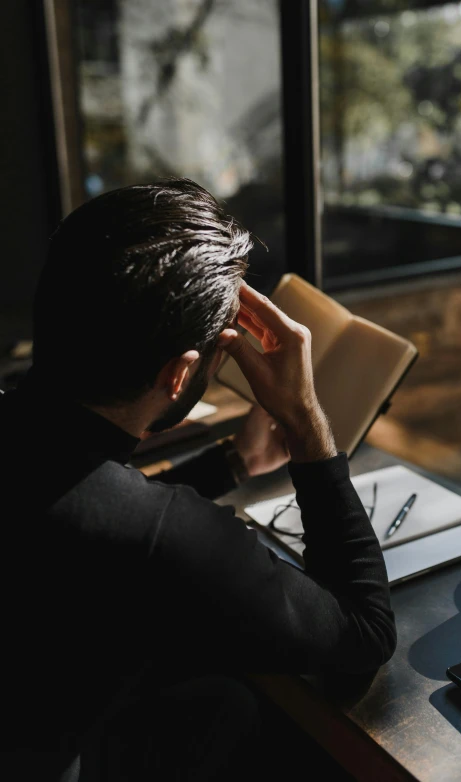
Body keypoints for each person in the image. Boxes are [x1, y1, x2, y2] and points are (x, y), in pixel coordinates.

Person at [0, 178, 396, 781]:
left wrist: (233, 464)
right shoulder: (167, 541)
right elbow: (363, 633)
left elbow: (83, 481)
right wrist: (303, 420)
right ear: (180, 374)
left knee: (220, 703)